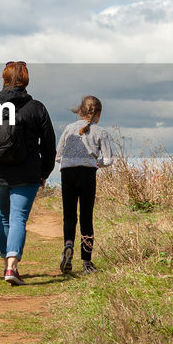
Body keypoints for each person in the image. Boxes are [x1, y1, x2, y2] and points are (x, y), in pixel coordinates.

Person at [0, 61, 56, 286]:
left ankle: (6, 264)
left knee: (4, 217)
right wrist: (44, 172)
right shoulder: (36, 108)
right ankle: (12, 266)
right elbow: (48, 145)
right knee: (18, 218)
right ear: (26, 80)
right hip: (26, 173)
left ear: (4, 79)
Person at [56, 95, 116, 274]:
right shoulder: (101, 132)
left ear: (80, 111)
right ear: (98, 114)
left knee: (69, 216)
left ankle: (68, 246)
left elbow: (58, 156)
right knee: (86, 217)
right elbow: (108, 159)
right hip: (87, 173)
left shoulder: (68, 129)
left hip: (67, 172)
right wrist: (96, 164)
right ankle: (87, 263)